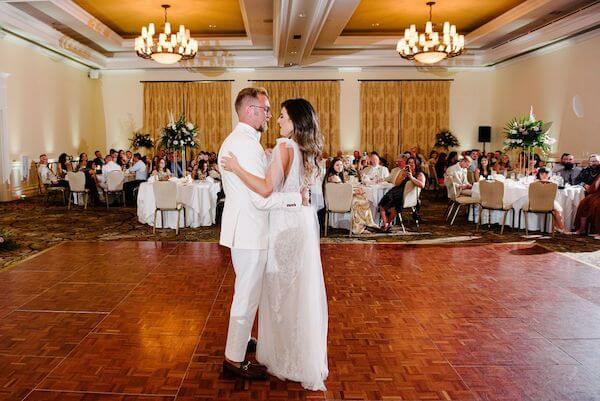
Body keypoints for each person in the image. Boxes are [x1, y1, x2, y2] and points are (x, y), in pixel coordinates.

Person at [220, 93, 328, 390]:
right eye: (268, 111)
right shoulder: (259, 145)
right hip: (265, 229)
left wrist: (250, 166)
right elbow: (263, 196)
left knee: (270, 293)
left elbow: (265, 189)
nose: (272, 117)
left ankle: (251, 345)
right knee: (264, 294)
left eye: (278, 114)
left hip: (270, 228)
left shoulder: (268, 145)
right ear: (251, 110)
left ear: (293, 122)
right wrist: (296, 198)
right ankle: (237, 355)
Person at [324, 158, 378, 234]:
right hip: (338, 203)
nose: (340, 166)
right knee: (362, 201)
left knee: (361, 198)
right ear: (332, 166)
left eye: (341, 165)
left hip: (335, 201)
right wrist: (355, 191)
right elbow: (343, 191)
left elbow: (342, 190)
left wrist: (355, 191)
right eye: (337, 165)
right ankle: (360, 227)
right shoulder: (334, 177)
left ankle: (363, 225)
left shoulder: (333, 176)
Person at [378, 156, 425, 231]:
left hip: (405, 196)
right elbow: (397, 183)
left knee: (394, 207)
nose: (411, 164)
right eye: (409, 162)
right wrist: (403, 176)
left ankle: (386, 224)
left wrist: (411, 177)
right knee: (383, 205)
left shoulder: (420, 174)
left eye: (413, 162)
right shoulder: (403, 171)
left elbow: (422, 185)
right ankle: (386, 224)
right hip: (396, 191)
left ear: (416, 164)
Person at [535, 168, 566, 233]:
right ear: (539, 174)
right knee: (558, 210)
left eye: (546, 173)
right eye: (542, 173)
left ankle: (558, 227)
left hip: (543, 202)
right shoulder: (536, 182)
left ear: (549, 175)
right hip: (538, 202)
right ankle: (562, 228)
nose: (544, 175)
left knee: (556, 211)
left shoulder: (552, 182)